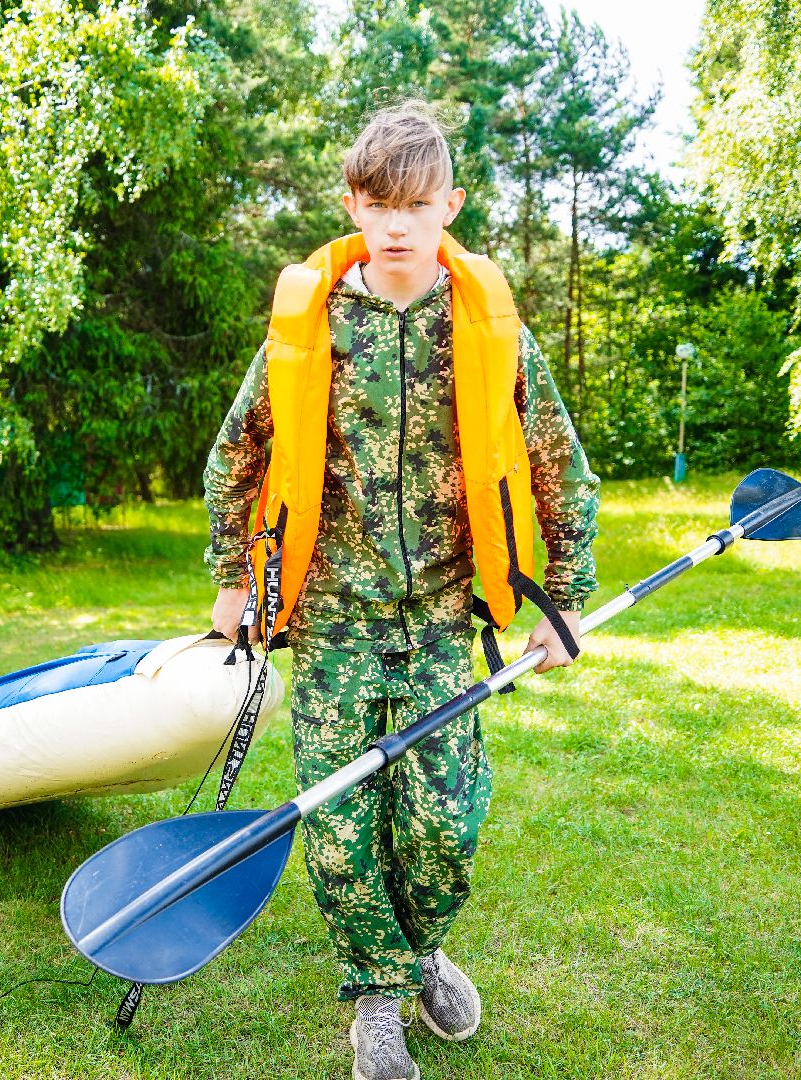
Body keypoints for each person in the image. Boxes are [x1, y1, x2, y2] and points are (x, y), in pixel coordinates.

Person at [202, 102, 600, 1080]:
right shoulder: (313, 325)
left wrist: (567, 594)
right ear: (352, 202)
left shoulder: (487, 327)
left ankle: (418, 952)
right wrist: (231, 580)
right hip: (334, 609)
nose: (395, 225)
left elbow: (558, 464)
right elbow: (236, 456)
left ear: (449, 206)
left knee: (445, 822)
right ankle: (376, 998)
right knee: (341, 824)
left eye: (416, 205)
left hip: (435, 617)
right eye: (378, 204)